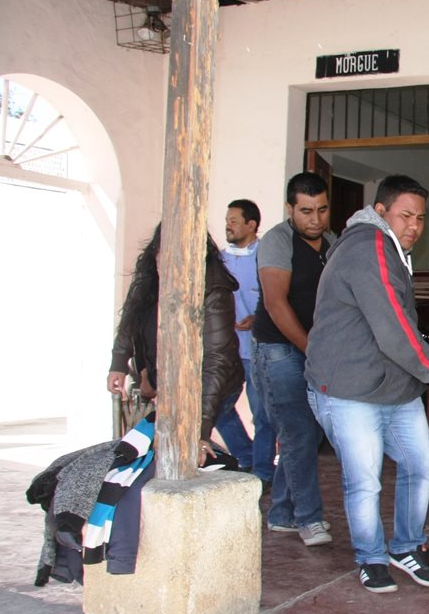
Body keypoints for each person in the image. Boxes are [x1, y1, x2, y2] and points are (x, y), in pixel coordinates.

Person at [306, 175, 429, 594]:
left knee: (420, 462)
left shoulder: (388, 248)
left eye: (420, 218)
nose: (414, 226)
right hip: (348, 388)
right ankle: (370, 558)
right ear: (380, 211)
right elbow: (392, 324)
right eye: (405, 215)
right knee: (365, 480)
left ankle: (406, 547)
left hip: (392, 386)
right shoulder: (369, 244)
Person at [105, 223, 243, 464]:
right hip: (165, 384)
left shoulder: (215, 291)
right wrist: (119, 361)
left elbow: (216, 362)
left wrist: (200, 430)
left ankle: (248, 464)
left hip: (206, 385)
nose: (167, 263)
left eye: (176, 255)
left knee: (192, 449)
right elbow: (131, 318)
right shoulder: (150, 279)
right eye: (162, 254)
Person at [251, 172, 336, 547]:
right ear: (290, 209)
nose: (315, 219)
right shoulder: (277, 240)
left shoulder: (332, 243)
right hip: (278, 350)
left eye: (321, 209)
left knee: (308, 433)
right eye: (306, 211)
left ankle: (282, 513)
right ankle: (309, 518)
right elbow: (275, 303)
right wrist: (311, 349)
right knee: (298, 432)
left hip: (312, 349)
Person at [211, 199, 277, 482]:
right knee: (216, 408)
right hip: (226, 351)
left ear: (251, 225)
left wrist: (257, 317)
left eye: (234, 221)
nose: (228, 225)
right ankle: (247, 456)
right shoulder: (218, 260)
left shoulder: (267, 256)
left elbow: (278, 298)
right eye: (227, 220)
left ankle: (262, 472)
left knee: (262, 414)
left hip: (258, 349)